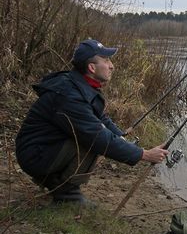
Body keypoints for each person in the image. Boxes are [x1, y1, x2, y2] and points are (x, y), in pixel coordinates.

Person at [15, 39, 169, 205]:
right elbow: (97, 136)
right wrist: (144, 154)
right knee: (92, 142)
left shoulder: (79, 84)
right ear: (92, 68)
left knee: (96, 137)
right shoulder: (70, 96)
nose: (112, 66)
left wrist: (121, 136)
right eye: (106, 60)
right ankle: (66, 195)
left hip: (45, 148)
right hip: (35, 155)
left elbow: (99, 117)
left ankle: (53, 181)